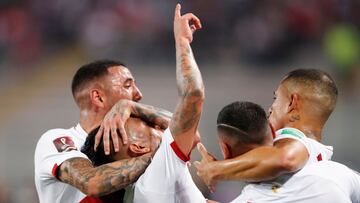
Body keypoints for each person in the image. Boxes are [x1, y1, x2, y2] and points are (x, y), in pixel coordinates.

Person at [83, 4, 206, 203]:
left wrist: (131, 107)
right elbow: (193, 94)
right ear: (139, 147)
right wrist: (182, 41)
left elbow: (193, 135)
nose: (160, 125)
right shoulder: (155, 180)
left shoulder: (142, 190)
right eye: (151, 127)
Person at [34, 60, 172, 203]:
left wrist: (132, 106)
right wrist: (161, 156)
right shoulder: (59, 139)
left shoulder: (136, 136)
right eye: (128, 85)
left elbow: (188, 134)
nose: (138, 94)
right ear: (98, 97)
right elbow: (91, 183)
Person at [195, 69, 338, 190]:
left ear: (292, 103)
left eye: (275, 98)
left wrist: (216, 169)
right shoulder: (317, 159)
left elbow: (285, 159)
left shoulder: (295, 143)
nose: (270, 108)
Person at [198, 101, 360, 202]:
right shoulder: (329, 170)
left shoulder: (253, 197)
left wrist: (215, 169)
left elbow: (284, 160)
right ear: (272, 131)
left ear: (225, 149)